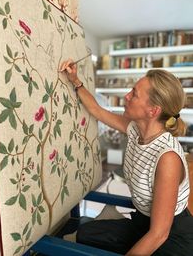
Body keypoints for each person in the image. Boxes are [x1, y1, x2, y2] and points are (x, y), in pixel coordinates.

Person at [60, 59, 193, 256]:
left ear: (153, 111)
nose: (127, 96)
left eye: (134, 94)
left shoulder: (167, 158)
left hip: (171, 237)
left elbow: (159, 234)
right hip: (142, 223)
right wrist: (75, 81)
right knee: (86, 233)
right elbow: (98, 111)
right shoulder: (135, 129)